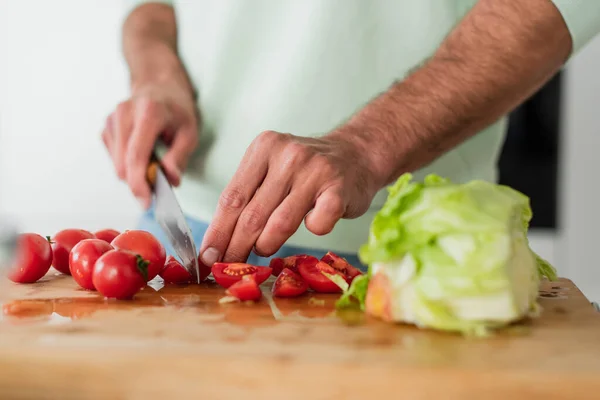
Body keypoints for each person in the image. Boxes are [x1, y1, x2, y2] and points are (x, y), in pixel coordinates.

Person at [102, 0, 600, 271]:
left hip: (411, 253)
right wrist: (156, 72)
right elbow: (154, 8)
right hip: (179, 231)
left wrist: (368, 145)